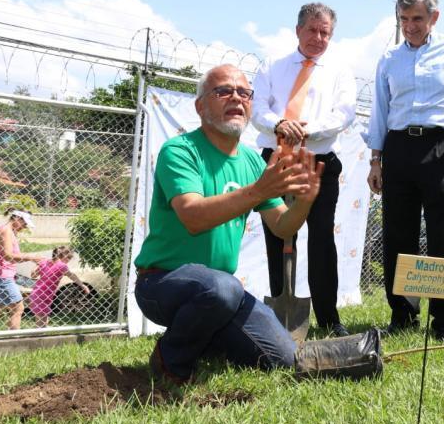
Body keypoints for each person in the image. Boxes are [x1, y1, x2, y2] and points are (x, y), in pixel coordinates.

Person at [133, 64, 324, 385]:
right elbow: (193, 217)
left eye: (244, 93)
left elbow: (282, 227)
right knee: (222, 288)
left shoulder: (251, 161)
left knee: (283, 358)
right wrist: (259, 190)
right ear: (200, 106)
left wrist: (304, 202)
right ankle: (171, 360)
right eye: (223, 91)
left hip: (219, 291)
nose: (236, 98)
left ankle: (208, 339)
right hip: (161, 283)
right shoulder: (180, 151)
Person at [366, 0, 444, 341]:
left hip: (442, 146)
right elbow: (380, 111)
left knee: (442, 233)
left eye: (417, 18)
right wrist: (376, 159)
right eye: (404, 19)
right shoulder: (389, 59)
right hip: (399, 147)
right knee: (398, 233)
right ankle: (402, 315)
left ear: (434, 17)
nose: (410, 26)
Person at [252, 2, 356, 338]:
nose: (318, 37)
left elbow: (344, 114)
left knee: (323, 239)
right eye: (312, 29)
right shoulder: (273, 65)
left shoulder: (340, 71)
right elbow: (258, 109)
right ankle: (279, 317)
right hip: (277, 160)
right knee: (279, 235)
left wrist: (307, 130)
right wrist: (281, 124)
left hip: (320, 161)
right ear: (298, 30)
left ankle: (328, 318)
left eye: (325, 32)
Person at [0, 208, 44, 332]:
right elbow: (8, 256)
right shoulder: (6, 231)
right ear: (16, 218)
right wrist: (31, 257)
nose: (24, 227)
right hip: (1, 277)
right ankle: (15, 339)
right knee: (18, 309)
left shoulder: (7, 230)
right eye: (24, 223)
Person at [29, 246, 89, 327]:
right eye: (68, 258)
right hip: (42, 295)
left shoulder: (45, 262)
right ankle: (38, 337)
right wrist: (82, 285)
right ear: (63, 256)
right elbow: (72, 275)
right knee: (41, 320)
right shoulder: (62, 266)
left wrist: (37, 265)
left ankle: (41, 334)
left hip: (39, 293)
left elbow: (33, 275)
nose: (68, 261)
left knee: (43, 319)